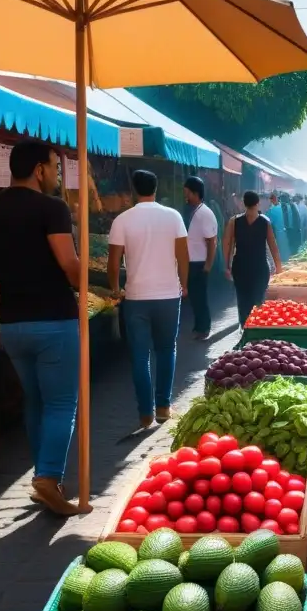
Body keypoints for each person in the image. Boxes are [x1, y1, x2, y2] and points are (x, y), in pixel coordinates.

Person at [0, 141, 81, 516]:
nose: (57, 175)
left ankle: (43, 478)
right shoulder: (52, 208)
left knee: (36, 401)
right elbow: (67, 261)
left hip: (13, 325)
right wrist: (84, 287)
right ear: (38, 170)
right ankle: (48, 477)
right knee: (61, 402)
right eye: (54, 167)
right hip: (54, 321)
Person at [108, 170, 189, 430]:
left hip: (135, 297)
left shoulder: (122, 220)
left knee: (140, 357)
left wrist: (114, 289)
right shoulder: (173, 216)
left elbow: (112, 262)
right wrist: (184, 285)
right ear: (157, 189)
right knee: (167, 350)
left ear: (133, 189)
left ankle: (145, 413)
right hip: (168, 295)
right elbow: (183, 256)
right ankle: (164, 406)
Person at [224, 191, 282, 326]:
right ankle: (257, 329)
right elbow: (273, 246)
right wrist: (278, 267)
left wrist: (227, 266)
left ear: (244, 203)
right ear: (258, 203)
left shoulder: (234, 221)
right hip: (260, 267)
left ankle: (244, 328)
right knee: (259, 300)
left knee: (243, 300)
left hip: (240, 267)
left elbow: (228, 244)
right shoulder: (265, 221)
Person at [183, 176, 218, 341]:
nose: (185, 196)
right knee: (196, 297)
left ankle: (204, 328)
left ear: (195, 193)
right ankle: (199, 326)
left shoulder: (203, 213)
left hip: (199, 263)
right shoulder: (197, 212)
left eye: (187, 193)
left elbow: (212, 241)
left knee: (200, 297)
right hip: (194, 262)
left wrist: (208, 265)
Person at [266, 192, 291, 261]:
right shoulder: (289, 208)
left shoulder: (272, 210)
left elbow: (266, 222)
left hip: (279, 236)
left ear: (271, 200)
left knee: (281, 255)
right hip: (289, 234)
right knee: (288, 255)